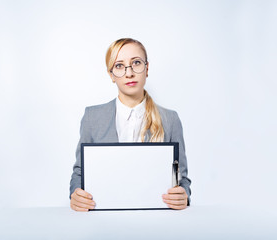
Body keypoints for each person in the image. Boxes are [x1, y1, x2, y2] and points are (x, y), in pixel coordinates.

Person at [70, 38, 191, 211]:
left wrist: (183, 195)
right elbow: (79, 173)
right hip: (103, 219)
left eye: (136, 63)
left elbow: (182, 179)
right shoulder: (92, 117)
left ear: (147, 68)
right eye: (119, 66)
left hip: (156, 220)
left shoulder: (170, 119)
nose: (129, 73)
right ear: (111, 74)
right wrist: (76, 194)